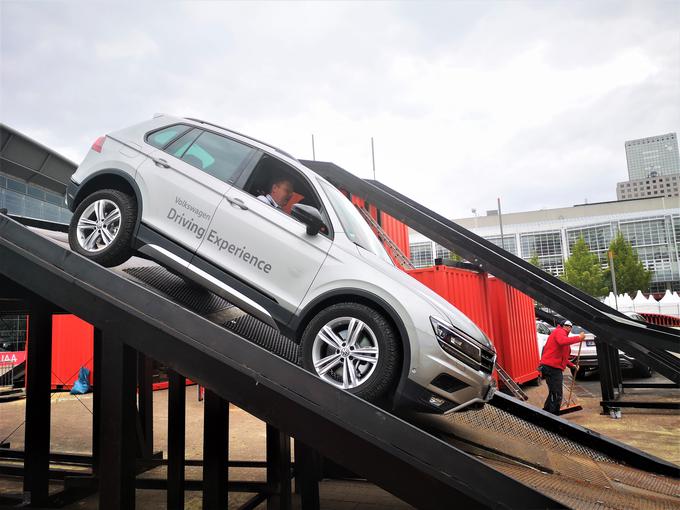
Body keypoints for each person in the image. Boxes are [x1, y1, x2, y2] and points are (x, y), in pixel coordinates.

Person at [539, 320, 585, 415]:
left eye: (570, 326)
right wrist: (579, 338)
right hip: (551, 368)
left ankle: (546, 413)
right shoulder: (559, 332)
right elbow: (562, 341)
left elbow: (562, 357)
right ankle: (553, 417)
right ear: (562, 326)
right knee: (557, 394)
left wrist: (572, 366)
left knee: (554, 392)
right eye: (567, 326)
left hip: (552, 367)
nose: (569, 328)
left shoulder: (562, 335)